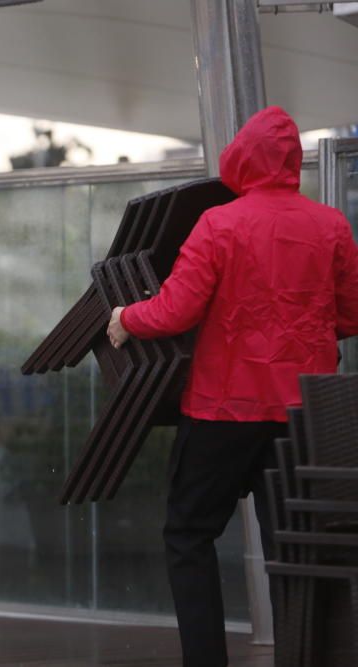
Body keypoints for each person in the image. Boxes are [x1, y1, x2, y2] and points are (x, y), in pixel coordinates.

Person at [107, 106, 358, 667]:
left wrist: (126, 318)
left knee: (188, 536)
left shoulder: (220, 222)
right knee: (292, 547)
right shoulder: (332, 226)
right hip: (305, 415)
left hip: (224, 409)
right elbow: (352, 313)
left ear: (241, 158)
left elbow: (176, 310)